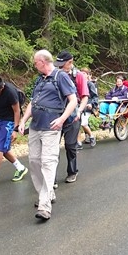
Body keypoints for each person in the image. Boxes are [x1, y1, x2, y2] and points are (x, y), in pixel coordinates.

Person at [18, 50, 77, 221]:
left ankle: (45, 206)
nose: (34, 65)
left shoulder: (61, 76)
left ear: (43, 61)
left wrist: (62, 118)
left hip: (52, 126)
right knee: (34, 161)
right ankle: (47, 192)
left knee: (48, 162)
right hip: (36, 126)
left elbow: (73, 100)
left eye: (36, 62)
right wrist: (23, 121)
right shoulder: (40, 79)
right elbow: (32, 102)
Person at [53, 50, 89, 183]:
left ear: (70, 62)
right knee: (53, 147)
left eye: (62, 64)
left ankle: (72, 171)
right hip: (57, 115)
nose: (60, 67)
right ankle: (52, 177)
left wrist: (79, 110)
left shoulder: (78, 76)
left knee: (70, 145)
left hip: (73, 116)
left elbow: (84, 97)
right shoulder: (55, 74)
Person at [76, 67, 98, 149]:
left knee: (83, 123)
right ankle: (78, 142)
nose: (82, 75)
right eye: (81, 73)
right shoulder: (78, 84)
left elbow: (95, 97)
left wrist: (92, 104)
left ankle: (92, 136)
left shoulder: (90, 84)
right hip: (79, 107)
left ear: (88, 75)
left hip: (87, 108)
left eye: (84, 73)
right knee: (77, 125)